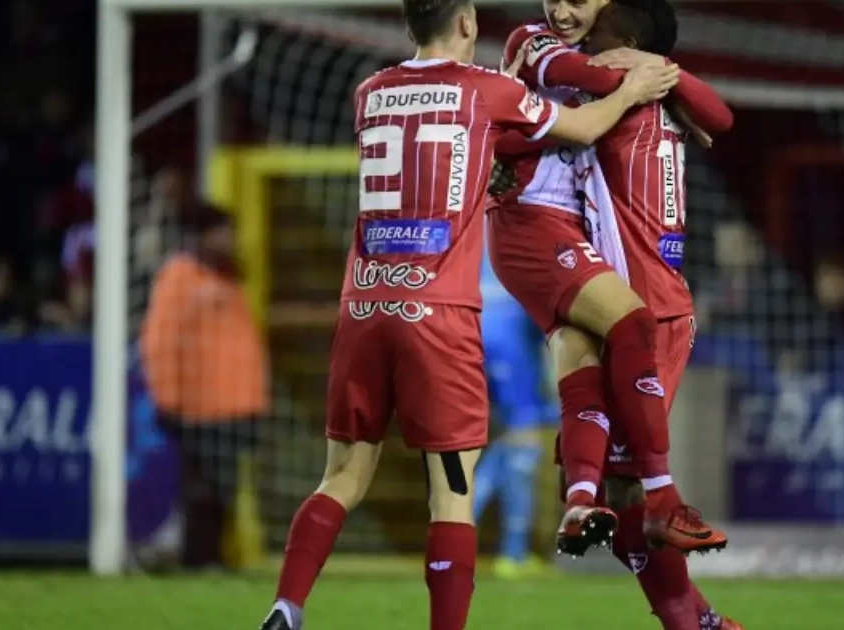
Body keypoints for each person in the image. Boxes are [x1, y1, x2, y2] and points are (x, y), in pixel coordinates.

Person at [258, 0, 678, 627]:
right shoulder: (487, 90)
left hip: (363, 305)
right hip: (438, 312)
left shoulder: (370, 92)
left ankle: (286, 606)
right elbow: (584, 128)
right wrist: (633, 90)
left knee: (341, 476)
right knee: (450, 496)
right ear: (467, 23)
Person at [488, 0, 734, 556]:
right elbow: (574, 91)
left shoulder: (634, 82)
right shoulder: (537, 45)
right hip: (539, 228)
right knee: (628, 329)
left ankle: (581, 501)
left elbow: (720, 118)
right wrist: (642, 72)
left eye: (578, 1)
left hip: (588, 245)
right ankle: (661, 498)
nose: (561, 10)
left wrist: (656, 70)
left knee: (584, 372)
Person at [567, 3, 742, 629]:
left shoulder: (621, 86)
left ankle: (699, 624)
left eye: (601, 32)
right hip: (631, 304)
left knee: (627, 493)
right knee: (615, 496)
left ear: (630, 42)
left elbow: (721, 117)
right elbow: (720, 116)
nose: (589, 41)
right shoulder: (658, 98)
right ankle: (704, 623)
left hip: (648, 312)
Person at [139, 203, 267, 570]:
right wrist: (168, 396)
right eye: (222, 231)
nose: (230, 239)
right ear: (202, 235)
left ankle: (209, 556)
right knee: (201, 488)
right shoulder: (179, 276)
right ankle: (196, 559)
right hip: (198, 406)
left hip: (235, 405)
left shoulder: (229, 277)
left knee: (223, 488)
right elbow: (160, 340)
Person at [471, 244, 557, 578]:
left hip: (470, 331)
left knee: (509, 446)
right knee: (523, 448)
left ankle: (511, 550)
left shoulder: (472, 225)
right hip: (508, 336)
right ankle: (510, 551)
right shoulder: (522, 224)